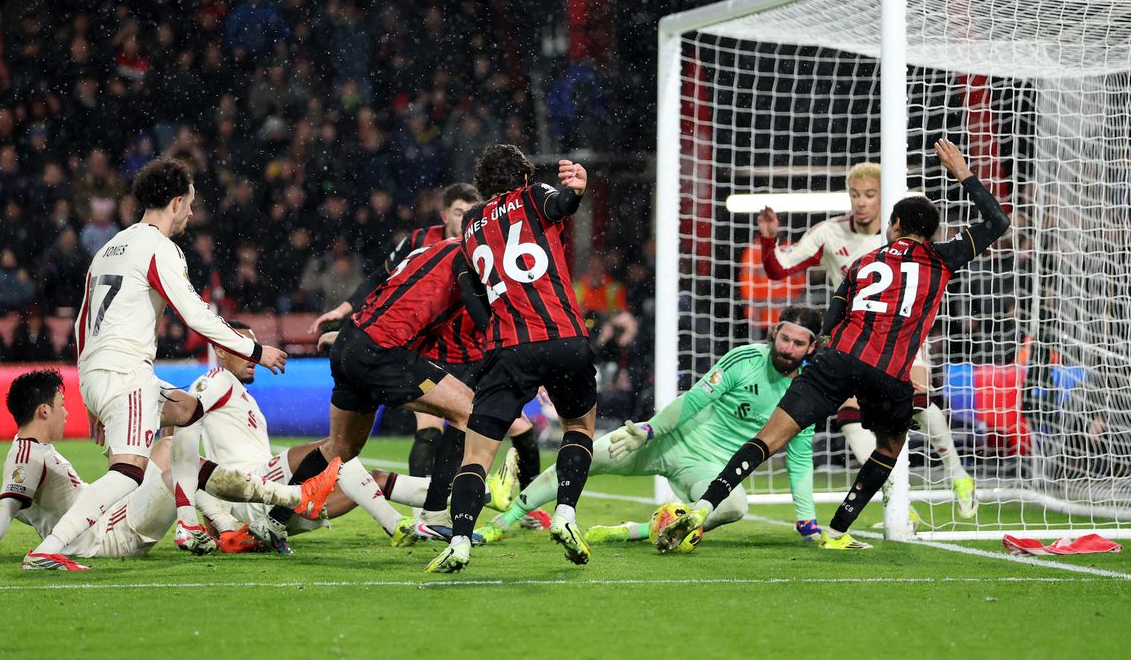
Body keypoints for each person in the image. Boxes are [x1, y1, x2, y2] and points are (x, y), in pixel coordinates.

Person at [659, 140, 1009, 552]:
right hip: (887, 367)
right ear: (929, 231)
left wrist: (820, 353)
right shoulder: (940, 257)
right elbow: (997, 222)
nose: (861, 203)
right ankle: (840, 530)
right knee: (891, 446)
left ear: (892, 222)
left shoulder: (862, 262)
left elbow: (833, 314)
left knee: (770, 437)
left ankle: (702, 507)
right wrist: (963, 173)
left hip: (837, 359)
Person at [21, 158, 292, 571]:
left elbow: (80, 324)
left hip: (97, 369)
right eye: (191, 205)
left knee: (187, 412)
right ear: (177, 202)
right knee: (128, 473)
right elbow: (196, 315)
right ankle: (48, 549)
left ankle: (188, 522)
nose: (192, 213)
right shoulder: (160, 248)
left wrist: (91, 397)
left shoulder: (109, 247)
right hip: (125, 370)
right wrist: (256, 351)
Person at [476, 307, 824, 548]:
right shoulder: (746, 359)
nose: (788, 349)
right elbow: (693, 401)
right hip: (668, 437)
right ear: (775, 333)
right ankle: (502, 522)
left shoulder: (804, 394)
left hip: (708, 470)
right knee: (582, 458)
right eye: (784, 338)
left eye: (797, 343)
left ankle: (637, 532)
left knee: (735, 506)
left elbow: (800, 459)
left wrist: (807, 523)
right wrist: (651, 430)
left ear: (811, 347)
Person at [758, 161, 976, 517]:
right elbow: (779, 270)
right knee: (850, 419)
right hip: (855, 341)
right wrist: (769, 240)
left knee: (918, 405)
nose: (860, 202)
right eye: (855, 194)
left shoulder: (906, 237)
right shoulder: (829, 233)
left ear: (883, 199)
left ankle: (958, 475)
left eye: (869, 195)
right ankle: (895, 498)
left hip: (903, 337)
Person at [0, 370, 339, 569]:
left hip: (107, 521)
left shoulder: (34, 451)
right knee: (174, 455)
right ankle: (273, 504)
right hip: (107, 538)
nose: (66, 411)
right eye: (60, 404)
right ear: (43, 411)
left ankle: (233, 525)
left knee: (164, 450)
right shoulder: (27, 453)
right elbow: (9, 504)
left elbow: (25, 505)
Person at [425, 145, 597, 573]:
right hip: (563, 338)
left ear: (482, 186)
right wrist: (575, 192)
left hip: (507, 348)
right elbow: (559, 203)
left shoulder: (470, 222)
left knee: (477, 456)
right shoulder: (532, 194)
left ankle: (461, 538)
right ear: (523, 175)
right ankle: (565, 514)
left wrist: (494, 331)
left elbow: (470, 289)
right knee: (578, 427)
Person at [286, 237, 490, 544]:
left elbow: (383, 284)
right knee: (467, 411)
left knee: (339, 450)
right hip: (383, 352)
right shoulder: (473, 257)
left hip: (352, 341)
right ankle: (435, 514)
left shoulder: (429, 249)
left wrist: (350, 328)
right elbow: (484, 315)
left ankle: (273, 521)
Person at [177, 322, 436, 554]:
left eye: (253, 347)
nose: (252, 355)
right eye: (242, 347)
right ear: (220, 351)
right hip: (249, 489)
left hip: (275, 497)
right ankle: (396, 527)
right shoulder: (217, 379)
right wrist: (216, 515)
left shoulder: (244, 396)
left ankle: (461, 502)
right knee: (337, 450)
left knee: (373, 479)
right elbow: (181, 417)